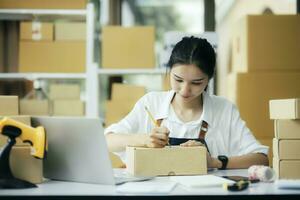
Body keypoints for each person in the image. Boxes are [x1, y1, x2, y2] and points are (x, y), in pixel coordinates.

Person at [105, 36, 269, 169]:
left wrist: (214, 162)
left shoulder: (224, 109)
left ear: (209, 79)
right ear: (169, 71)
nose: (185, 90)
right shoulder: (151, 102)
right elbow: (107, 141)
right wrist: (144, 139)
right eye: (178, 79)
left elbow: (261, 159)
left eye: (196, 83)